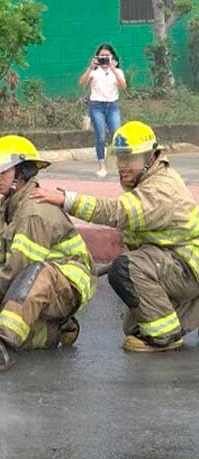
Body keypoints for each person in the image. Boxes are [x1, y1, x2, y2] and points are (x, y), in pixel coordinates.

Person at [30, 121, 199, 353]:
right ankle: (173, 321)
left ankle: (165, 337)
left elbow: (116, 212)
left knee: (126, 270)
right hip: (178, 262)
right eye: (120, 158)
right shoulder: (150, 179)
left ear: (151, 158)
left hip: (188, 266)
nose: (122, 166)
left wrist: (66, 200)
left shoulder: (160, 189)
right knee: (134, 327)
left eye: (129, 159)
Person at [0, 135, 96, 372]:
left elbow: (20, 267)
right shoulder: (12, 208)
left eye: (3, 170)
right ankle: (55, 329)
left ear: (21, 173)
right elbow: (2, 263)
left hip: (66, 283)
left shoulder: (33, 213)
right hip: (36, 281)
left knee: (36, 274)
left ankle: (4, 350)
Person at [79, 44, 126, 178]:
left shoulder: (118, 71)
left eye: (107, 56)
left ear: (112, 57)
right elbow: (82, 82)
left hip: (112, 106)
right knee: (100, 136)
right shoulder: (94, 71)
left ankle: (115, 162)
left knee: (117, 134)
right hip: (96, 106)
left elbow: (123, 86)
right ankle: (101, 166)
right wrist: (90, 68)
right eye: (102, 56)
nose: (104, 58)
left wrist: (114, 69)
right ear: (97, 57)